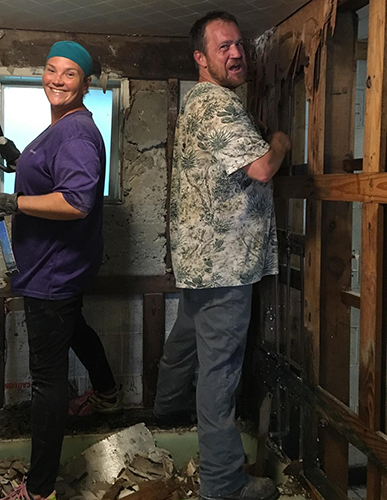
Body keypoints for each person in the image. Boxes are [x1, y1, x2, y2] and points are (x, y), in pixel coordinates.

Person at [153, 11, 291, 500]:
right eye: (223, 47)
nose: (236, 54)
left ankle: (163, 416)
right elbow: (260, 168)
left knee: (185, 343)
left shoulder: (197, 104)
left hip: (201, 263)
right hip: (227, 265)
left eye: (239, 45)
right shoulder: (217, 105)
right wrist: (280, 140)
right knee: (220, 374)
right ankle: (222, 485)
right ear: (201, 59)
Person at [0, 41, 121, 500]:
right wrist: (19, 157)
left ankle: (38, 490)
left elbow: (76, 201)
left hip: (51, 272)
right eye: (51, 70)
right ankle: (106, 391)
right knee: (74, 325)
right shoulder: (63, 126)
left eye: (69, 74)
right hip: (62, 267)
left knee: (47, 381)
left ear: (84, 83)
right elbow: (55, 174)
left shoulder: (77, 132)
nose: (56, 80)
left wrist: (12, 200)